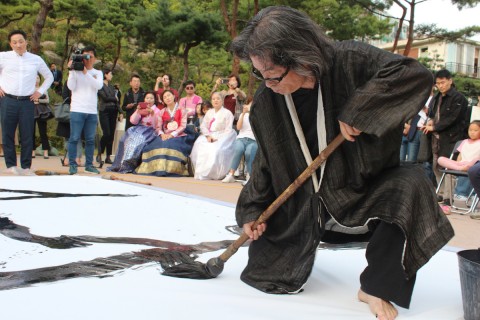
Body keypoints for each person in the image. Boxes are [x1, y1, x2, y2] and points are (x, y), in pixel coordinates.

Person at [230, 6, 454, 320]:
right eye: (260, 76)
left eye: (272, 76)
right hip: (303, 209)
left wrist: (363, 108)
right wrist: (252, 210)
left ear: (301, 58)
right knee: (271, 275)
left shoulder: (351, 61)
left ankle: (375, 286)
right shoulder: (267, 105)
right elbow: (266, 164)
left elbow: (414, 75)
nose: (268, 84)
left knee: (412, 183)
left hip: (362, 194)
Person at [0, 29, 54, 175]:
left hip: (27, 102)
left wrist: (39, 91)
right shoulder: (3, 57)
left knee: (27, 134)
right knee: (8, 134)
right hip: (8, 100)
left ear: (26, 42)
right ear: (10, 44)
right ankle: (11, 165)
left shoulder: (35, 59)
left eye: (21, 41)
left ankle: (26, 167)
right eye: (14, 42)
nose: (18, 45)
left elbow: (49, 77)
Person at [422, 69, 469, 205]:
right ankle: (441, 192)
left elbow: (452, 119)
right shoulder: (436, 97)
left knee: (449, 167)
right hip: (436, 137)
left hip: (451, 138)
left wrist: (434, 127)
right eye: (438, 83)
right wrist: (430, 120)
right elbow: (431, 113)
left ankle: (449, 197)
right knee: (436, 165)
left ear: (450, 80)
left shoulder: (458, 98)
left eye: (443, 82)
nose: (441, 86)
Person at [135, 90, 194, 176]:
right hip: (164, 135)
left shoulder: (182, 110)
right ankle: (155, 169)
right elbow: (158, 127)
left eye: (169, 96)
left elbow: (183, 126)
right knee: (155, 145)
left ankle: (170, 170)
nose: (167, 98)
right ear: (163, 100)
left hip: (178, 135)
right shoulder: (161, 112)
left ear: (174, 96)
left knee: (169, 144)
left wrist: (172, 135)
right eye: (164, 97)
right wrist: (162, 134)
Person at [66, 45, 103, 175]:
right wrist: (71, 70)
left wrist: (85, 72)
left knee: (90, 139)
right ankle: (72, 164)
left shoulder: (98, 73)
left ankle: (89, 164)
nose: (87, 59)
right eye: (85, 56)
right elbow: (71, 86)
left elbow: (98, 86)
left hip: (92, 110)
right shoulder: (75, 71)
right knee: (74, 137)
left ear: (95, 58)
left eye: (90, 57)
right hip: (77, 109)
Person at [107, 91, 160, 173]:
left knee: (137, 141)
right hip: (138, 128)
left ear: (154, 100)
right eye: (147, 98)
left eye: (151, 98)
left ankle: (128, 165)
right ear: (144, 99)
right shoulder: (141, 109)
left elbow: (156, 125)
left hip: (149, 130)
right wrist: (137, 111)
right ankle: (119, 164)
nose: (149, 100)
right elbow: (133, 121)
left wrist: (152, 114)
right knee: (124, 139)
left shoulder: (157, 110)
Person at [190, 92, 237, 180]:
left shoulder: (228, 113)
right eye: (213, 99)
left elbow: (228, 129)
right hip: (209, 134)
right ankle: (201, 172)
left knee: (216, 149)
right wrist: (208, 136)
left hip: (224, 136)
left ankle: (215, 173)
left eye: (218, 98)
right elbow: (203, 126)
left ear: (222, 101)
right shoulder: (209, 112)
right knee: (199, 145)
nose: (216, 100)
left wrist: (219, 138)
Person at [437, 120, 480, 210]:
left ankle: (462, 191)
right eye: (470, 130)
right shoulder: (464, 141)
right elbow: (459, 156)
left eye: (475, 130)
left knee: (474, 163)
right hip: (460, 165)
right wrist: (458, 164)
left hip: (472, 164)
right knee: (441, 159)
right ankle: (459, 168)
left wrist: (467, 164)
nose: (472, 132)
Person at [222, 101, 258, 184]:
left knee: (249, 152)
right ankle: (231, 174)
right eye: (249, 104)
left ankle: (249, 176)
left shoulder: (258, 115)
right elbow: (238, 127)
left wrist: (253, 113)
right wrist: (243, 114)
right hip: (241, 138)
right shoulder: (243, 115)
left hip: (253, 140)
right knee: (238, 149)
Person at [399, 88, 433, 162]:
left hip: (426, 131)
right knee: (410, 159)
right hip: (414, 130)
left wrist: (425, 108)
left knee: (423, 159)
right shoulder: (418, 98)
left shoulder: (435, 99)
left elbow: (434, 115)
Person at [56, 81, 83, 166]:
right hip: (75, 111)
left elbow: (64, 96)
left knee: (70, 137)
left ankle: (69, 158)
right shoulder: (74, 82)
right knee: (76, 137)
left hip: (68, 113)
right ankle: (74, 158)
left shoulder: (68, 82)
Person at [97, 69, 121, 164]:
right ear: (105, 75)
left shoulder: (111, 87)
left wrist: (120, 111)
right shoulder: (99, 85)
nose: (111, 76)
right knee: (106, 133)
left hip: (113, 111)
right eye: (110, 74)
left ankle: (108, 156)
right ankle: (99, 153)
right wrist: (114, 98)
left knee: (111, 135)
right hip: (104, 111)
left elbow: (117, 101)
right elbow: (105, 98)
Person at [32, 75, 51, 159]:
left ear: (40, 79)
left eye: (37, 78)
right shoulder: (29, 89)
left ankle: (46, 151)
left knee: (43, 131)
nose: (36, 80)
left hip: (41, 111)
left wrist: (38, 100)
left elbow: (47, 100)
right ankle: (32, 151)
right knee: (30, 132)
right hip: (31, 111)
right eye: (34, 78)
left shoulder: (43, 89)